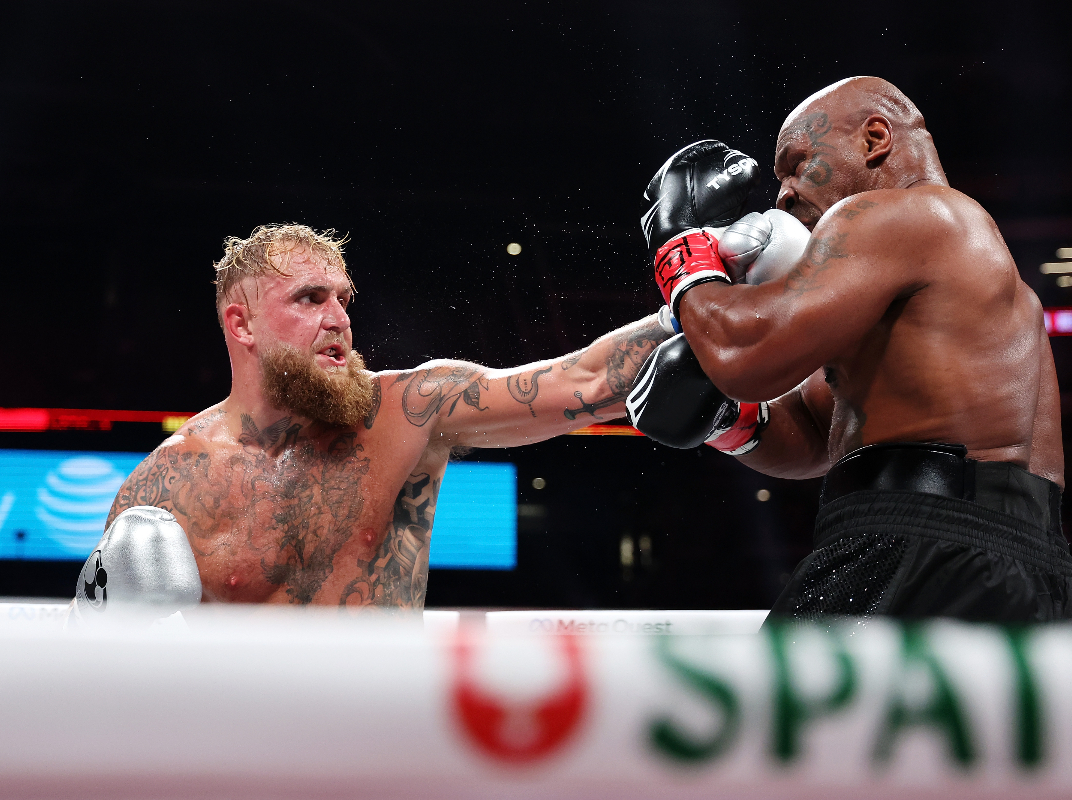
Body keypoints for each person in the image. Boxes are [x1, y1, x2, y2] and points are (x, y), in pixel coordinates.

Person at [630, 77, 1072, 622]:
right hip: (1033, 572)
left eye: (798, 164)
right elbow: (816, 434)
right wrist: (728, 421)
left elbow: (744, 356)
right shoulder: (966, 271)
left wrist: (679, 241)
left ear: (875, 138)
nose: (782, 195)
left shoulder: (895, 213)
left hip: (921, 548)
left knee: (777, 682)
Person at [86, 224, 672, 609]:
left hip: (382, 745)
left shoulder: (408, 410)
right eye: (310, 298)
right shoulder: (166, 484)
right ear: (242, 326)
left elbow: (585, 379)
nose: (339, 319)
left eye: (343, 299)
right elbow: (105, 664)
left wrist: (697, 290)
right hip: (244, 752)